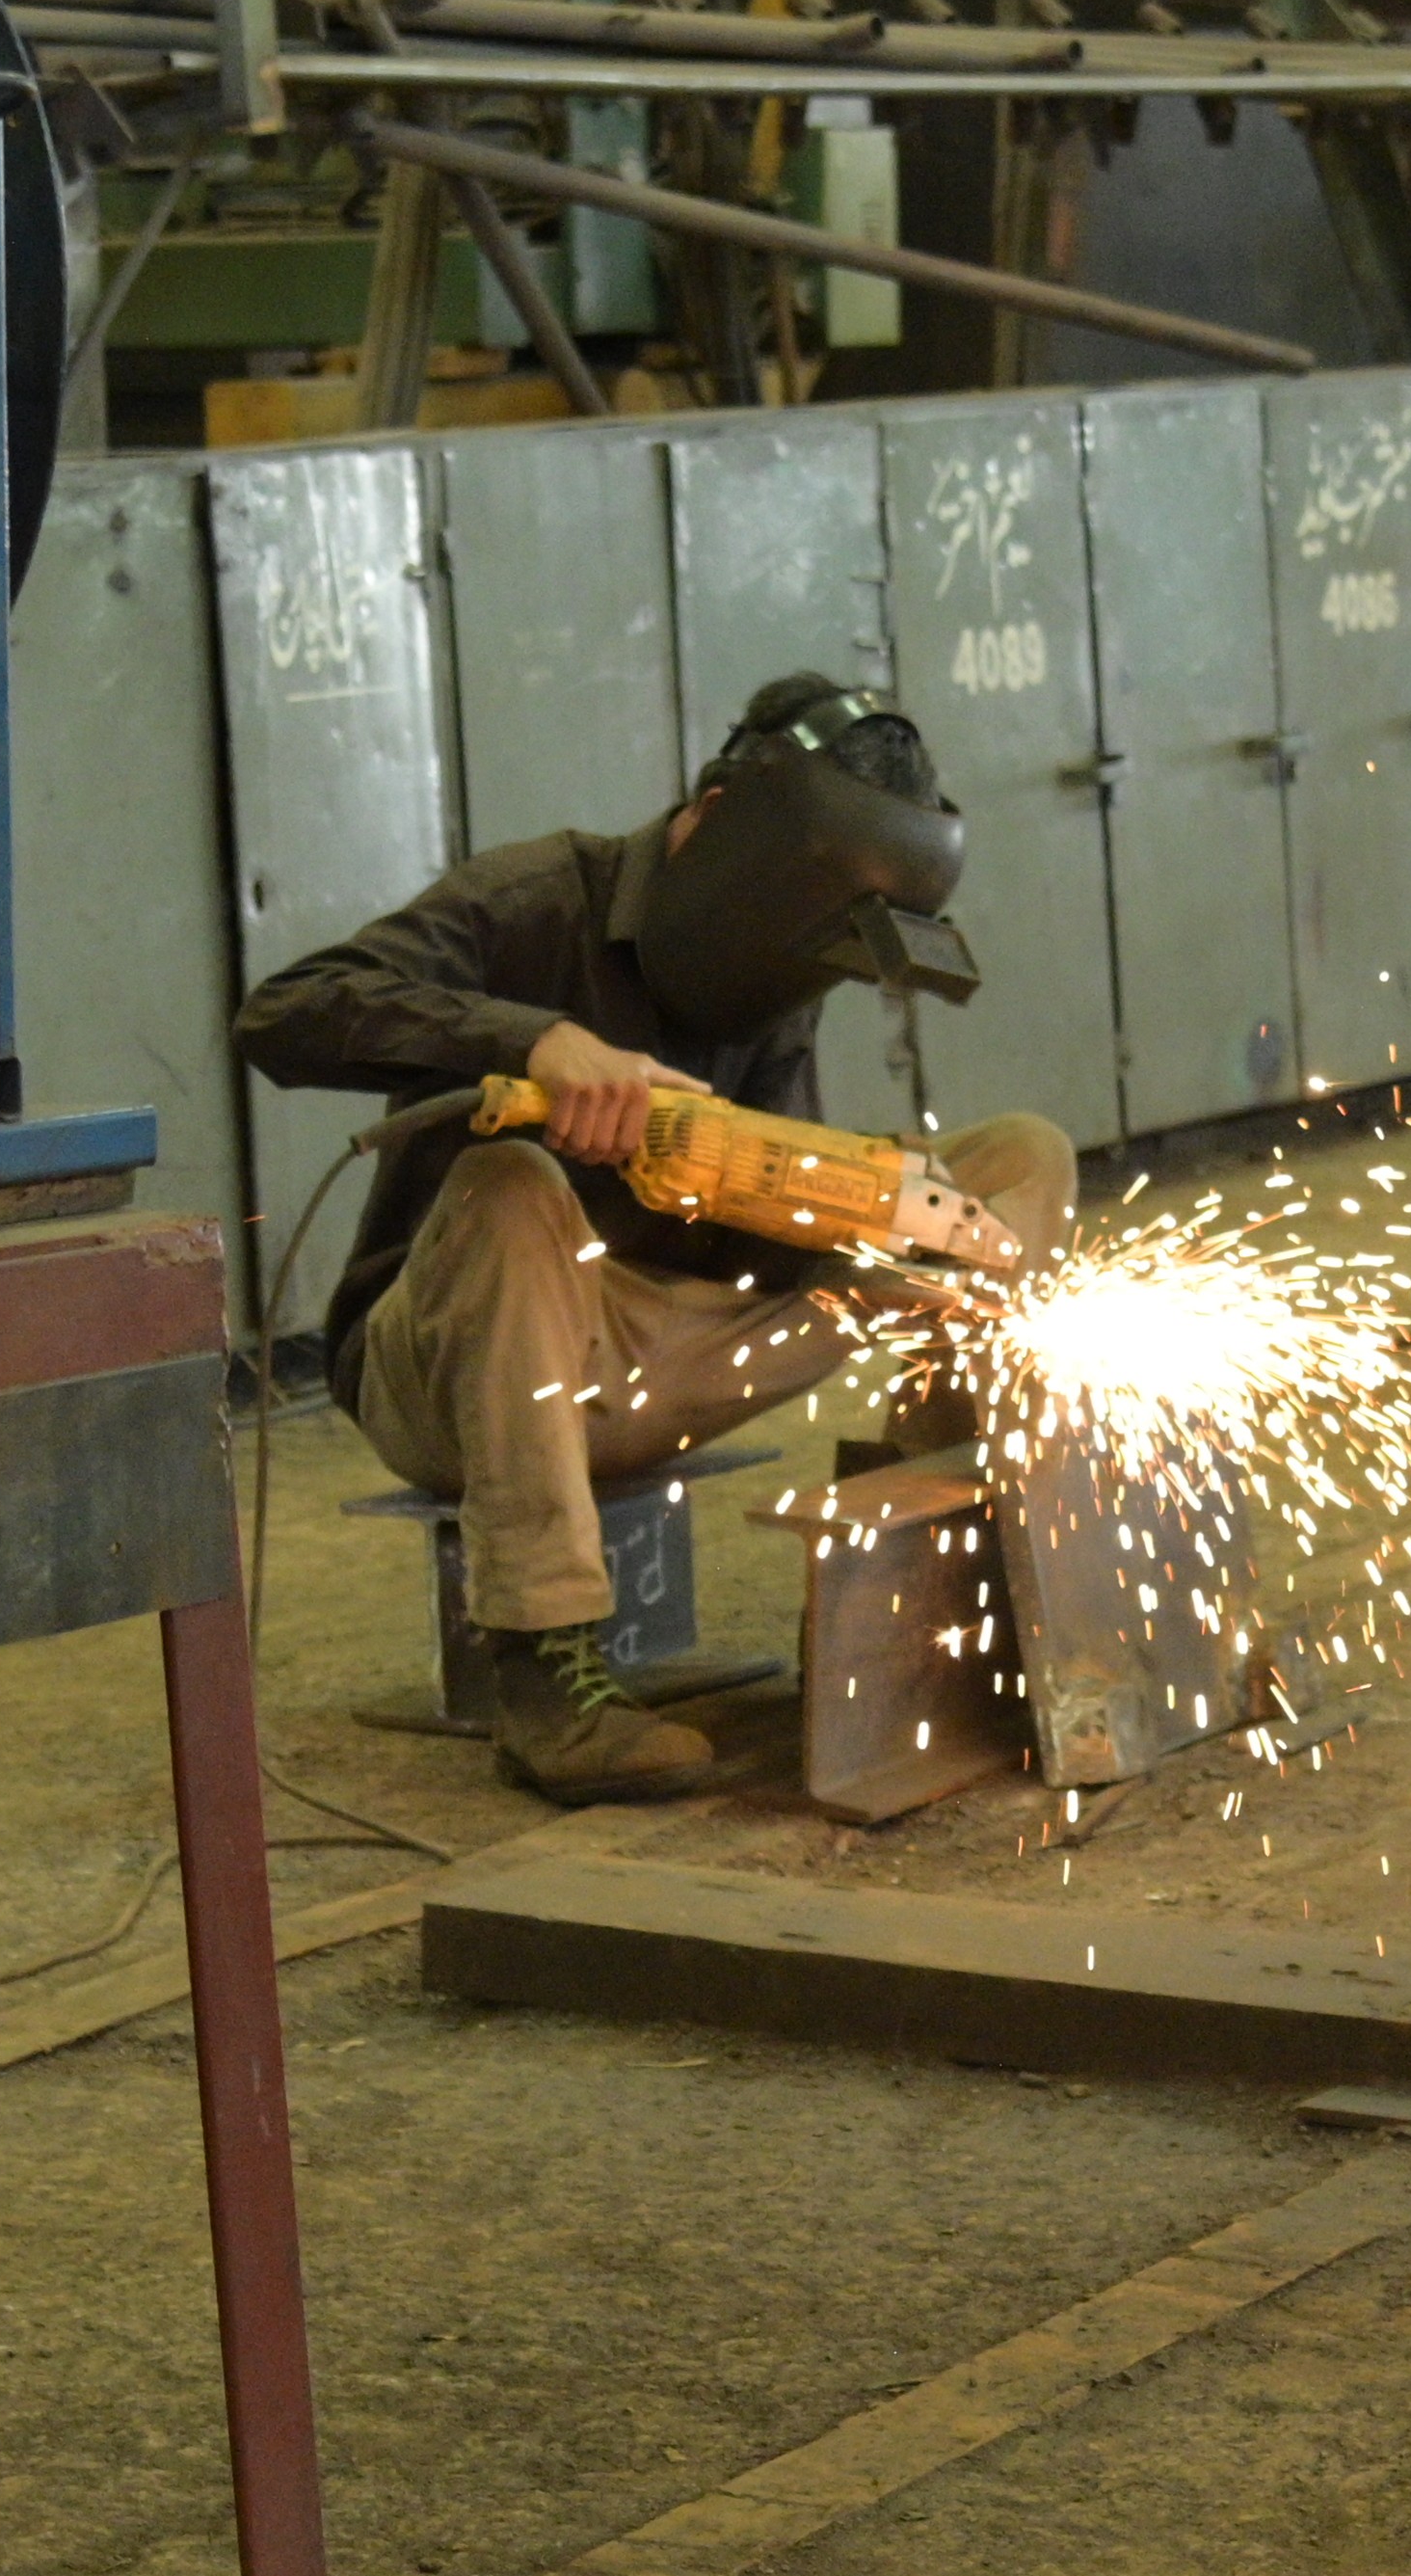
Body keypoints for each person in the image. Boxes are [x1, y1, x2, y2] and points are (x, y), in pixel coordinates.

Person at [239, 676, 1073, 1802]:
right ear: (708, 818)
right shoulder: (534, 900)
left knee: (1018, 1157)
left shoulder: (776, 977)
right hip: (456, 1369)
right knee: (509, 1183)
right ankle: (545, 1668)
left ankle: (941, 1564)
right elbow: (283, 1012)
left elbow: (758, 1232)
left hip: (667, 1348)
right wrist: (535, 1042)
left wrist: (876, 1245)